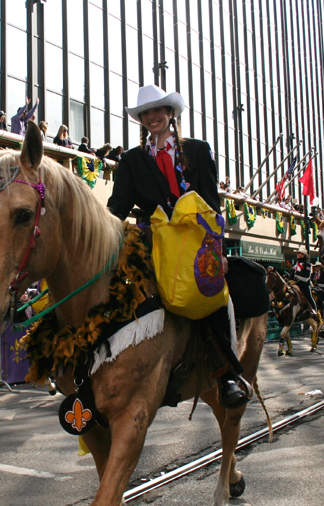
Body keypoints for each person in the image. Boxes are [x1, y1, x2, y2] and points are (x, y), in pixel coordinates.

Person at [107, 84, 253, 410]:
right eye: (146, 113)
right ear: (141, 119)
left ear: (170, 113)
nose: (152, 116)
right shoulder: (131, 160)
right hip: (155, 242)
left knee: (214, 294)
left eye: (158, 110)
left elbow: (212, 205)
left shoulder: (199, 151)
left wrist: (218, 252)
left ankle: (227, 372)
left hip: (197, 241)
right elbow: (117, 207)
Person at [291, 246, 317, 312]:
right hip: (294, 283)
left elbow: (306, 276)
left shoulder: (307, 265)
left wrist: (296, 273)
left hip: (304, 285)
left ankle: (314, 311)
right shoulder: (295, 264)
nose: (297, 254)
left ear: (303, 255)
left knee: (309, 297)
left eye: (299, 253)